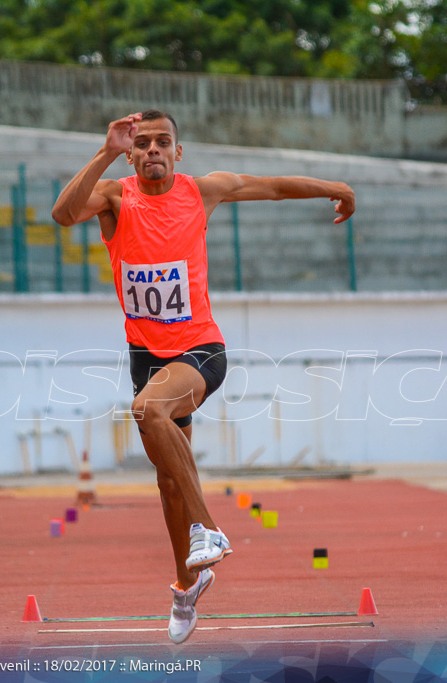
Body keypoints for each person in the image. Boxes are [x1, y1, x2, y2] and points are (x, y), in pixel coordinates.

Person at [51, 110, 355, 644]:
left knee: (147, 411)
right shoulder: (114, 197)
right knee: (168, 480)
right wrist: (103, 151)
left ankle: (208, 528)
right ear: (129, 153)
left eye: (161, 142)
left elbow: (274, 187)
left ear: (178, 151)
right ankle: (187, 585)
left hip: (199, 349)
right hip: (145, 356)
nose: (151, 151)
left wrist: (336, 186)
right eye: (140, 144)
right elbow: (62, 214)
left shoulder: (203, 191)